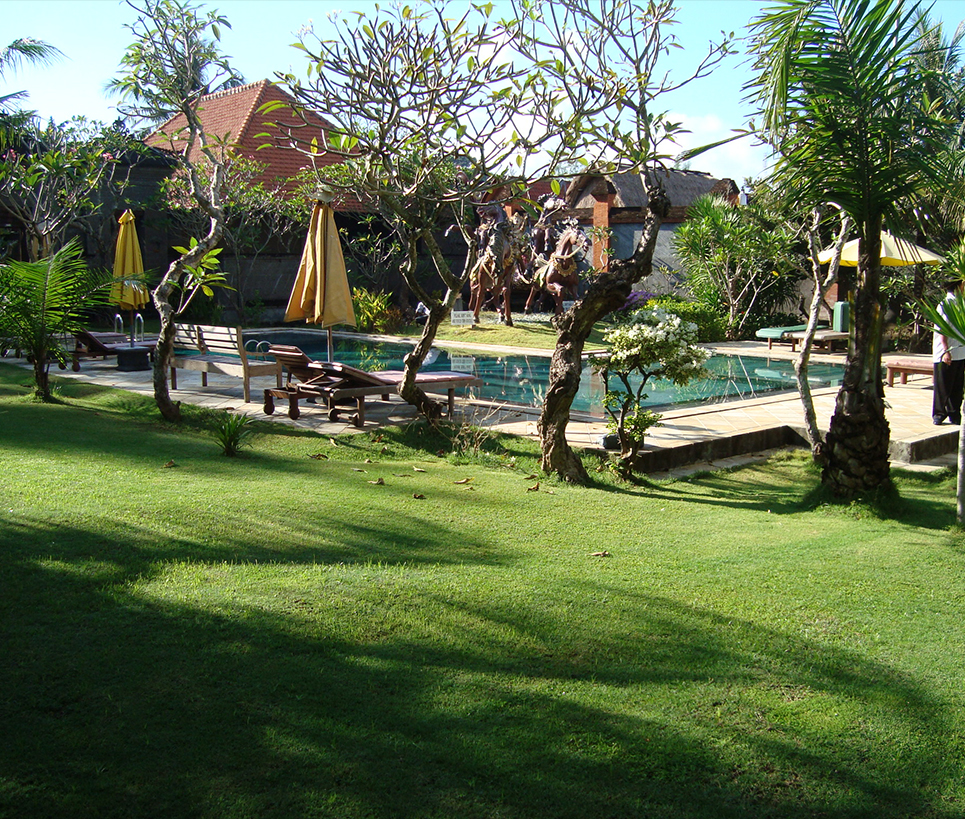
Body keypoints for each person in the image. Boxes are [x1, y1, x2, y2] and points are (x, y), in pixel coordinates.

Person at [932, 280, 965, 425]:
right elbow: (942, 329)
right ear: (959, 286)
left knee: (957, 386)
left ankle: (954, 413)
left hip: (961, 351)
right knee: (943, 385)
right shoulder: (946, 304)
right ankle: (939, 413)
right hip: (946, 352)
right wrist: (946, 351)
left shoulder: (961, 303)